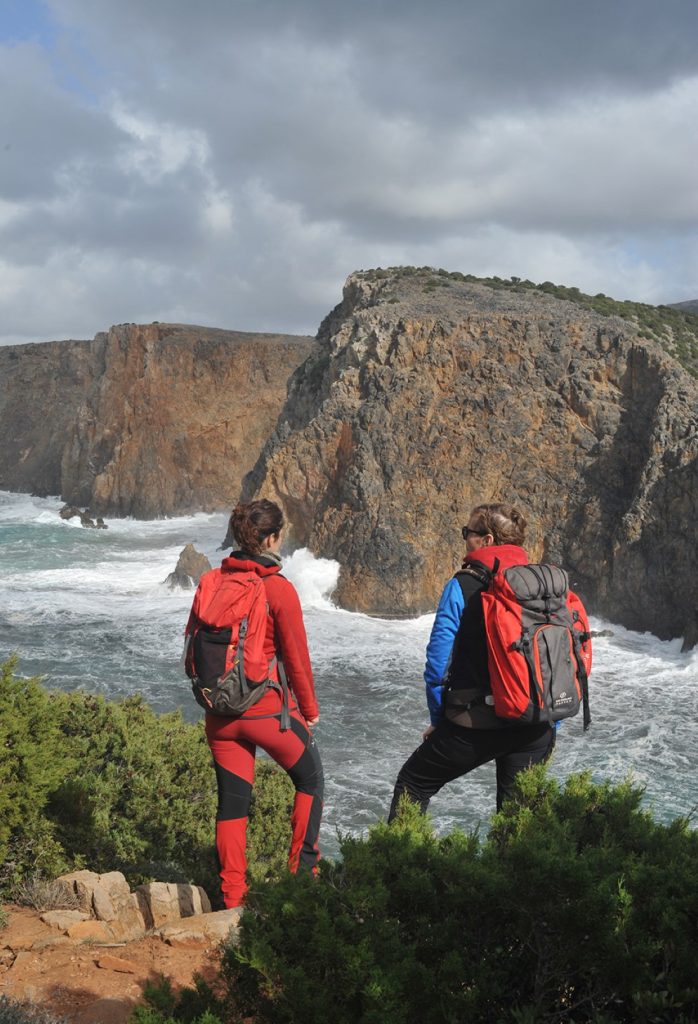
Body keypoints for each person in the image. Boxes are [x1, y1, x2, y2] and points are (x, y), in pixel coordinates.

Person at [187, 499, 323, 909]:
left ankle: (232, 899)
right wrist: (310, 712)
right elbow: (297, 660)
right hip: (264, 712)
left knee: (232, 802)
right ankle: (303, 884)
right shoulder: (277, 588)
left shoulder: (211, 581)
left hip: (219, 714)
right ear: (272, 538)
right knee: (310, 780)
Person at [388, 502, 556, 821]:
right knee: (515, 821)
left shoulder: (462, 586)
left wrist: (439, 719)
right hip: (536, 723)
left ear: (488, 540)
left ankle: (396, 867)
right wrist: (552, 718)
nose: (466, 539)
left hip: (477, 722)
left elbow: (437, 664)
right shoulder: (543, 585)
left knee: (413, 784)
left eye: (469, 533)